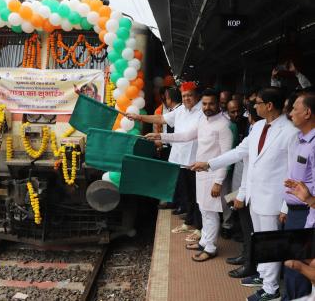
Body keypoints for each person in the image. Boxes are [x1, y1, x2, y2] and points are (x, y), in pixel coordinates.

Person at [191, 87, 299, 301]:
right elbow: (240, 152)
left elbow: (293, 171)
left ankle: (271, 290)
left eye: (257, 102)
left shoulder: (290, 131)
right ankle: (265, 278)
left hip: (274, 198)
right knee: (261, 241)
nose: (253, 106)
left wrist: (286, 205)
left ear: (269, 106)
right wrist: (209, 164)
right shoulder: (258, 126)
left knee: (270, 243)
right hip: (256, 196)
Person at [145, 88, 233, 261]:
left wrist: (218, 182)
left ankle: (211, 247)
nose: (207, 107)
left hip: (213, 175)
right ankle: (204, 241)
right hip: (200, 172)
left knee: (211, 212)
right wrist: (160, 136)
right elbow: (185, 136)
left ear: (218, 104)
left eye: (211, 104)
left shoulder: (224, 125)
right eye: (205, 104)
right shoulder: (204, 121)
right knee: (204, 209)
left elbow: (226, 157)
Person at [126, 81, 203, 241]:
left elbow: (187, 136)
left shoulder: (202, 112)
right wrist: (139, 117)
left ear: (196, 96)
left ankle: (200, 227)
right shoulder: (181, 109)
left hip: (196, 159)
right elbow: (161, 118)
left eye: (189, 95)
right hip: (180, 158)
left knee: (198, 196)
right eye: (184, 96)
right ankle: (189, 222)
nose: (187, 98)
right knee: (186, 193)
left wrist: (161, 136)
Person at [280, 92, 315, 300]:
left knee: (300, 268)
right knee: (293, 266)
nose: (290, 113)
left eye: (294, 108)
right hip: (298, 213)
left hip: (307, 214)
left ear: (308, 113)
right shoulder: (301, 140)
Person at [227, 101, 262, 279]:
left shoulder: (260, 131)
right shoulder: (254, 130)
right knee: (246, 226)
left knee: (253, 230)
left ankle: (251, 265)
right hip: (242, 185)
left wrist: (208, 164)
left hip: (252, 190)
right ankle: (246, 256)